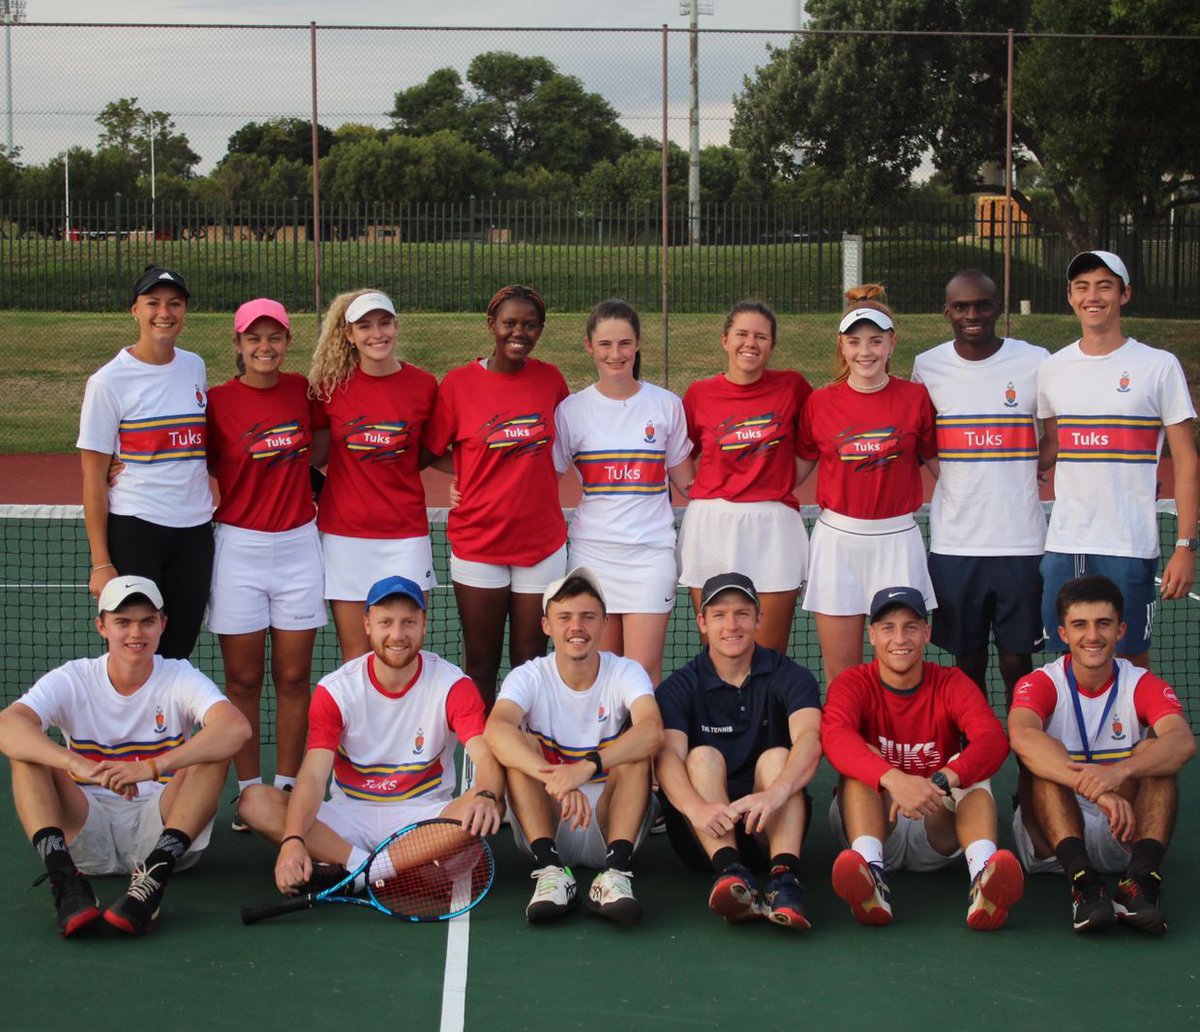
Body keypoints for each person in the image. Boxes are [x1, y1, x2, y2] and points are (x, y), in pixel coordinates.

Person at [0, 576, 250, 936]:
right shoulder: (74, 678)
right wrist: (76, 763)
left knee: (214, 749)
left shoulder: (179, 676)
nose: (136, 633)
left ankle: (154, 876)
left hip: (163, 825)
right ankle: (64, 878)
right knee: (27, 751)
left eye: (147, 621)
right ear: (102, 626)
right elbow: (8, 725)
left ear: (163, 624)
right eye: (123, 622)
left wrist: (151, 767)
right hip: (87, 828)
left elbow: (236, 728)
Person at [237, 575, 505, 896]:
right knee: (254, 802)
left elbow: (485, 757)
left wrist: (487, 796)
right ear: (367, 625)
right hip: (348, 817)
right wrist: (293, 839)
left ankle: (356, 872)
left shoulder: (453, 685)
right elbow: (313, 774)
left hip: (423, 816)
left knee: (488, 803)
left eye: (408, 622)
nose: (397, 634)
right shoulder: (336, 689)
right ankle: (391, 870)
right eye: (386, 622)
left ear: (424, 625)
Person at [822, 586, 1022, 930]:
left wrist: (941, 780)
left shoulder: (951, 682)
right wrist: (895, 780)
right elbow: (835, 738)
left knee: (970, 766)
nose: (900, 638)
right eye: (888, 628)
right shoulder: (853, 683)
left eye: (911, 627)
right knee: (861, 760)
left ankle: (984, 883)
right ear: (872, 635)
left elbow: (992, 740)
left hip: (936, 825)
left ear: (926, 633)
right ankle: (871, 879)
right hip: (875, 821)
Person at [1037, 250, 1198, 670]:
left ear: (1124, 294)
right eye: (1082, 287)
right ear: (1070, 296)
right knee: (1067, 660)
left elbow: (1186, 460)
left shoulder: (1158, 367)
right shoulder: (1052, 369)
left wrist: (1185, 546)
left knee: (1131, 660)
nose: (1092, 296)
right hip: (1065, 543)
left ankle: (1136, 720)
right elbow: (1051, 446)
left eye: (1104, 286)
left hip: (1129, 544)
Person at [1008, 575, 1194, 934]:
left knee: (1156, 753)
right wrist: (1099, 789)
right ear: (1063, 633)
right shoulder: (1042, 682)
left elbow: (1182, 742)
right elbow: (1021, 737)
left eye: (1103, 624)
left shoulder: (1140, 683)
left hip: (1121, 829)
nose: (1092, 636)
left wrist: (1118, 772)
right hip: (1050, 840)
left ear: (1120, 630)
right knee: (1044, 757)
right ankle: (1083, 882)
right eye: (1080, 625)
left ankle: (1140, 880)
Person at [484, 567, 664, 925]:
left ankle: (615, 874)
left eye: (587, 617)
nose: (576, 627)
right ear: (546, 625)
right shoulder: (529, 675)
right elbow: (496, 729)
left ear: (604, 623)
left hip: (611, 820)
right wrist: (556, 780)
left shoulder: (625, 671)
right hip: (550, 818)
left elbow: (652, 731)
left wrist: (585, 768)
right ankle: (551, 873)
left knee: (635, 749)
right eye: (564, 617)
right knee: (521, 745)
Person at [205, 298, 327, 826]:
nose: (265, 346)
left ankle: (289, 788)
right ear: (237, 344)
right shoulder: (216, 402)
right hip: (239, 549)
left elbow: (322, 447)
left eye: (274, 336)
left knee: (295, 677)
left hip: (299, 546)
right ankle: (250, 794)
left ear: (287, 341)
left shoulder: (303, 391)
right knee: (244, 680)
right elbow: (195, 459)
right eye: (253, 338)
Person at [427, 285, 570, 709]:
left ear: (540, 330)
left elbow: (567, 444)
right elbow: (430, 451)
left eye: (530, 325)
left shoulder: (551, 380)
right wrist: (466, 472)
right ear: (492, 325)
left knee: (531, 663)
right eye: (509, 323)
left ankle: (524, 748)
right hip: (479, 544)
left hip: (540, 545)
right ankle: (481, 749)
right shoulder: (458, 384)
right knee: (481, 664)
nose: (519, 333)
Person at [655, 572, 822, 930]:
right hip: (704, 835)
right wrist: (696, 808)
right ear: (702, 622)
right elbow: (666, 757)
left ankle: (785, 879)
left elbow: (810, 738)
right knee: (701, 757)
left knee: (779, 757)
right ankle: (730, 873)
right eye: (719, 615)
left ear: (759, 618)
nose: (732, 625)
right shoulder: (678, 687)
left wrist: (776, 793)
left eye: (742, 613)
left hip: (770, 825)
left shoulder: (792, 677)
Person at [911, 270, 1049, 701]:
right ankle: (976, 741)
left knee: (1017, 660)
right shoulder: (927, 366)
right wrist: (954, 474)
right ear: (947, 312)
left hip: (1021, 542)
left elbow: (1058, 430)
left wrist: (1028, 466)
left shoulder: (1035, 360)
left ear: (998, 309)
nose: (972, 315)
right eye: (961, 307)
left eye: (982, 305)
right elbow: (921, 439)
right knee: (967, 659)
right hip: (956, 543)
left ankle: (1024, 738)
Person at [797, 286, 939, 685]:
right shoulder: (819, 403)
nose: (865, 352)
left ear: (892, 343)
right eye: (855, 341)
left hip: (898, 542)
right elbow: (794, 472)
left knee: (900, 668)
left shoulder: (916, 398)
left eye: (876, 340)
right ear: (842, 346)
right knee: (842, 673)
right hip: (837, 544)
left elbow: (941, 466)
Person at [553, 298, 693, 685]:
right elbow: (541, 481)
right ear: (589, 346)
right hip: (593, 555)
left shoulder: (666, 406)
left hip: (651, 555)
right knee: (601, 671)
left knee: (643, 671)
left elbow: (688, 483)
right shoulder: (571, 411)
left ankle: (644, 731)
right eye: (605, 344)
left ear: (638, 344)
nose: (615, 354)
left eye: (625, 343)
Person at [77, 265, 214, 659]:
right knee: (136, 651)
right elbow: (93, 479)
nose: (164, 313)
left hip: (194, 533)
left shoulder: (194, 366)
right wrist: (101, 562)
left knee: (178, 650)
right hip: (136, 530)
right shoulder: (108, 382)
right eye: (153, 303)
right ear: (135, 310)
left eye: (174, 303)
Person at [309, 289, 439, 663]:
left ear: (396, 326)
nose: (376, 333)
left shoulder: (424, 385)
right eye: (364, 326)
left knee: (404, 652)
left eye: (384, 323)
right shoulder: (329, 388)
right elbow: (314, 455)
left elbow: (433, 450)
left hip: (406, 536)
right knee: (357, 656)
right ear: (349, 334)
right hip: (345, 538)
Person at [678, 301, 812, 653]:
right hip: (712, 529)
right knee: (719, 653)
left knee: (769, 655)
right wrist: (700, 487)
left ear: (772, 345)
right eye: (741, 334)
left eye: (760, 336)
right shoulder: (699, 394)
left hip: (774, 530)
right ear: (725, 340)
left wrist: (783, 481)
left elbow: (812, 445)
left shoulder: (793, 387)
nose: (750, 343)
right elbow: (681, 451)